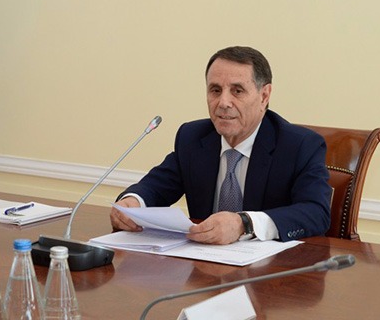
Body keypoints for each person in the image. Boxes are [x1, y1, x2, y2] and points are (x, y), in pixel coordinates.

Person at [110, 46, 331, 245]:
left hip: (271, 271)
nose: (223, 103)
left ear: (264, 96)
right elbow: (156, 186)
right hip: (204, 265)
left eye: (237, 91)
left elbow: (316, 213)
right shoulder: (193, 137)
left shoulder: (299, 145)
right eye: (215, 90)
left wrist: (244, 223)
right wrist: (132, 202)